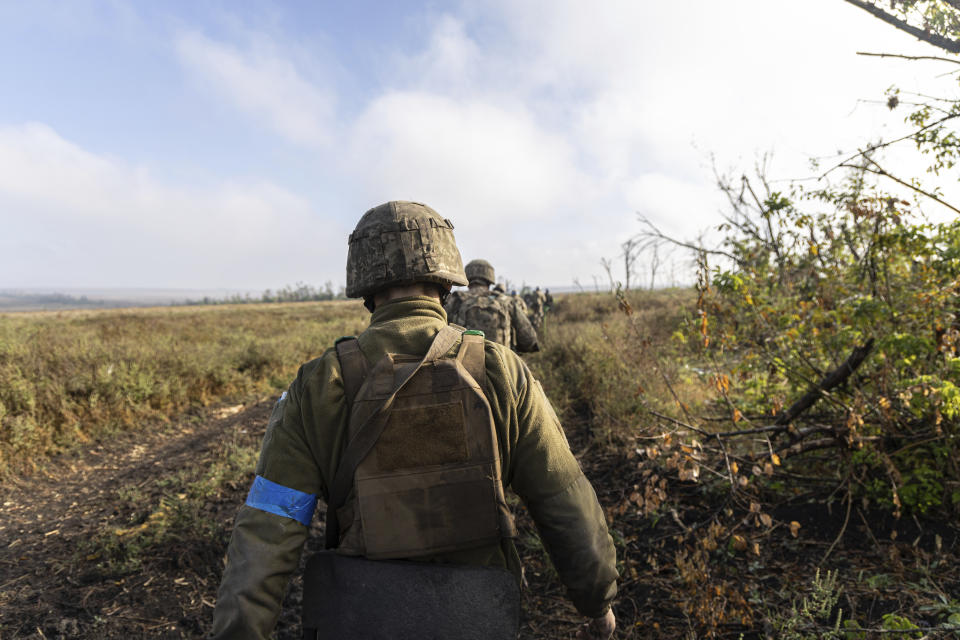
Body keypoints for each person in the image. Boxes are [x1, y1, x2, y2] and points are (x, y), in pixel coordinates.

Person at [210, 201, 617, 640]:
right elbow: (564, 499)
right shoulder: (502, 371)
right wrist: (598, 602)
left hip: (362, 615)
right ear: (446, 281)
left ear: (364, 284)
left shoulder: (318, 384)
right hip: (476, 614)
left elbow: (269, 530)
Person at [445, 259, 540, 353]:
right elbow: (529, 340)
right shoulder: (506, 302)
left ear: (467, 277)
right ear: (490, 279)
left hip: (461, 365)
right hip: (500, 364)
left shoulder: (455, 299)